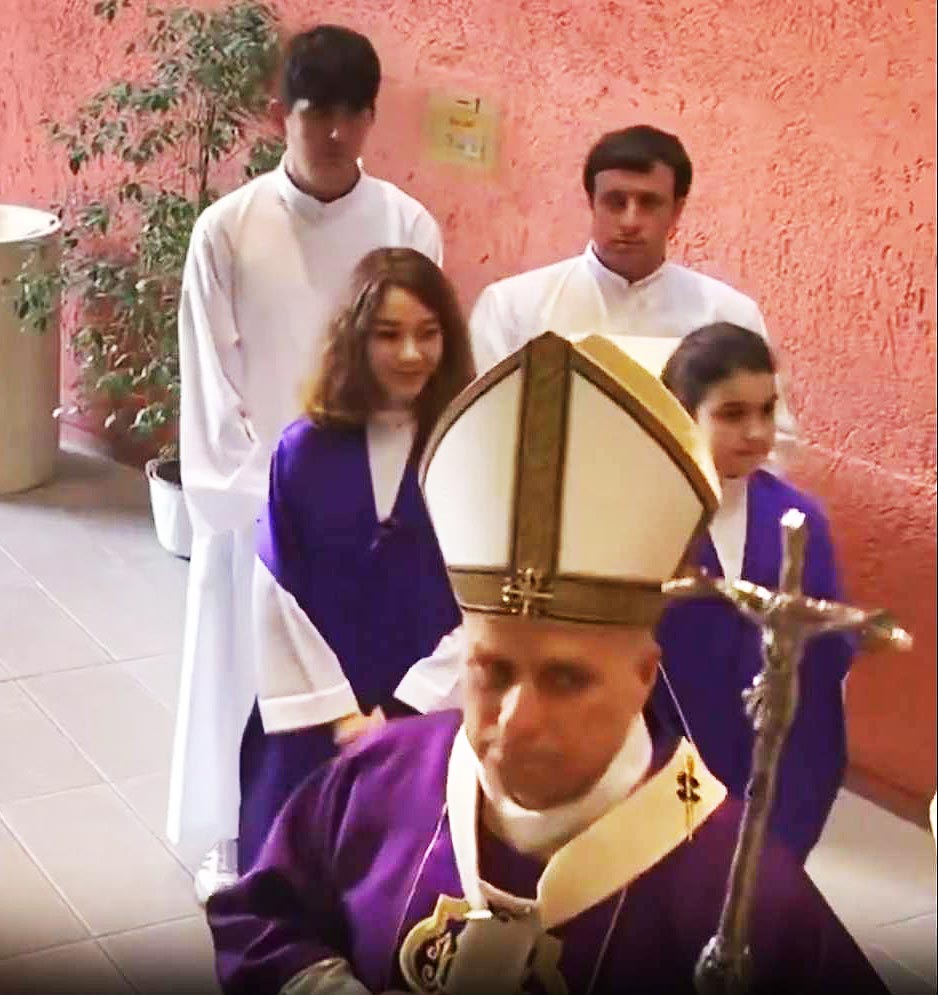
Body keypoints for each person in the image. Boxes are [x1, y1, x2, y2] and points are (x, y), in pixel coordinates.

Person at [207, 332, 886, 995]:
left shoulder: (742, 893)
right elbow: (261, 918)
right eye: (493, 671)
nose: (517, 720)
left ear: (644, 676)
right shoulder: (375, 779)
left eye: (566, 678)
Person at [168, 23, 444, 903]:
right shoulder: (228, 228)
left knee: (356, 682)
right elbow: (209, 378)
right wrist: (264, 498)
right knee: (238, 672)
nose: (332, 132)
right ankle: (229, 830)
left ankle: (358, 843)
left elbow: (420, 360)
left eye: (351, 114)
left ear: (371, 119)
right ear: (277, 114)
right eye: (313, 111)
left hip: (371, 495)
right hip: (256, 494)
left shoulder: (404, 225)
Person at [238, 247, 474, 873]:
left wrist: (403, 711)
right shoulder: (304, 450)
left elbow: (487, 602)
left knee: (406, 880)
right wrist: (342, 714)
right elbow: (277, 588)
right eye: (388, 334)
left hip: (431, 716)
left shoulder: (472, 450)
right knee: (297, 873)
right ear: (355, 339)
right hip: (315, 713)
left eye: (428, 333)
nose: (410, 353)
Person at [469, 124, 795, 458]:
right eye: (615, 202)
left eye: (649, 203)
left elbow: (772, 439)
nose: (630, 220)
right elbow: (486, 430)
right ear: (591, 203)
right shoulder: (512, 307)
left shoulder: (728, 314)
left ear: (677, 210)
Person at [653, 323, 853, 862]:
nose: (757, 432)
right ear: (681, 413)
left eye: (767, 410)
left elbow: (824, 665)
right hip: (666, 769)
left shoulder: (800, 518)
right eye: (732, 414)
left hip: (777, 767)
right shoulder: (648, 518)